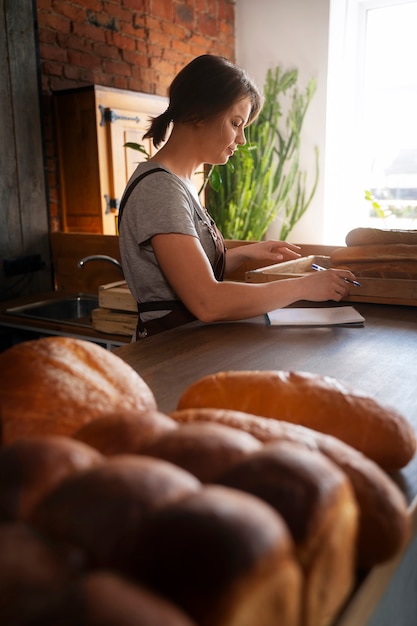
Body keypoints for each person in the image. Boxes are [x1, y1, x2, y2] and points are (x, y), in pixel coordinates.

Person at [118, 54, 356, 339]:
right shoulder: (159, 189)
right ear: (198, 113)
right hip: (166, 354)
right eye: (235, 123)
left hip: (184, 347)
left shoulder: (178, 184)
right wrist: (304, 286)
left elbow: (185, 272)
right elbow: (207, 302)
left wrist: (245, 253)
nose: (242, 139)